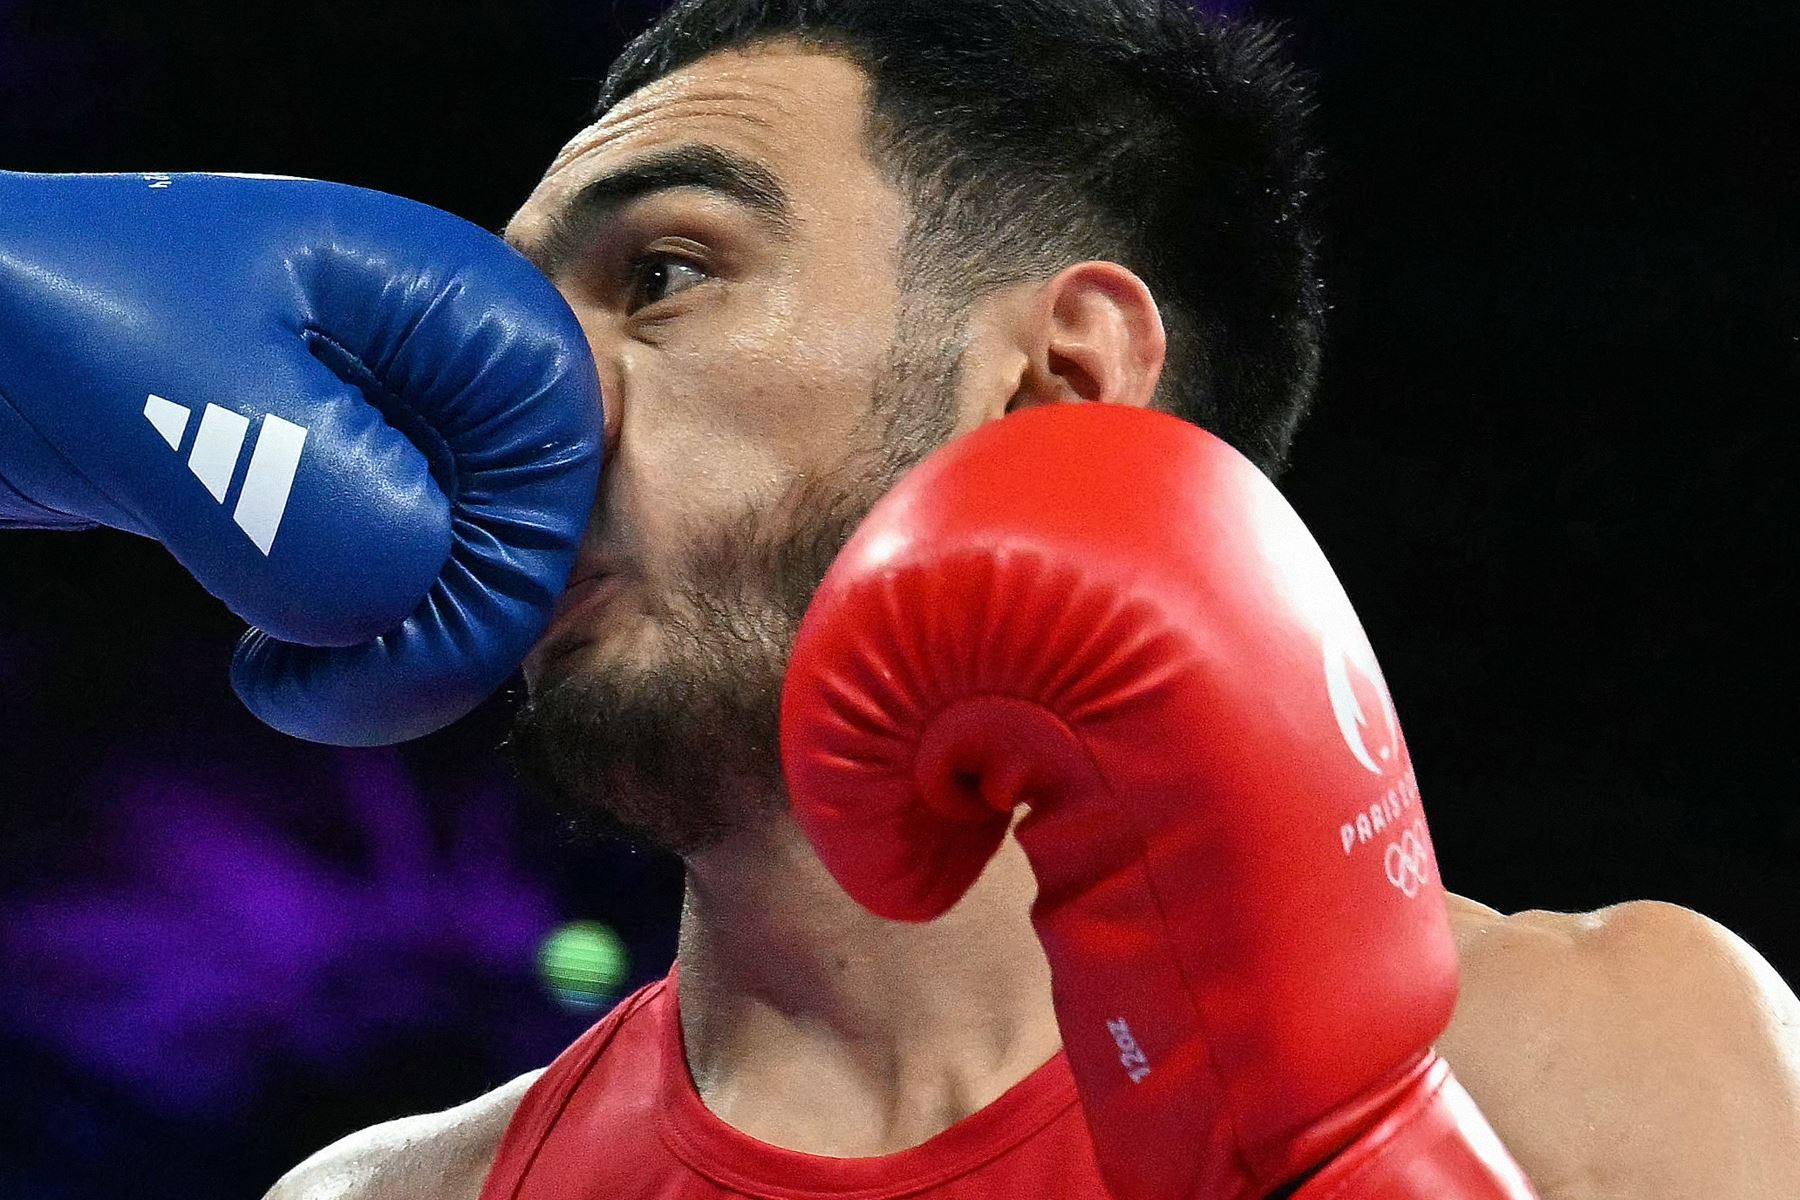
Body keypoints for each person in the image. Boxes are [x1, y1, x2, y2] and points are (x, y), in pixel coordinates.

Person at [227, 0, 1789, 1195]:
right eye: (504, 332)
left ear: (1057, 383)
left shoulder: (1604, 1066)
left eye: (663, 275)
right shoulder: (395, 1191)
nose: (522, 418)